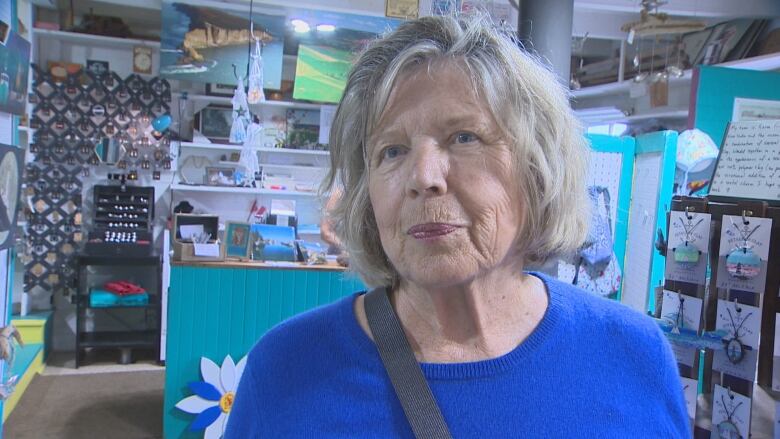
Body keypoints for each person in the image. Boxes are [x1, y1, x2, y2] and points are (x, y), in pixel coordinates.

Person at [226, 13, 688, 438]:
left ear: (537, 169)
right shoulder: (287, 369)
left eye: (464, 138)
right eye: (392, 151)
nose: (423, 177)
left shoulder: (632, 356)